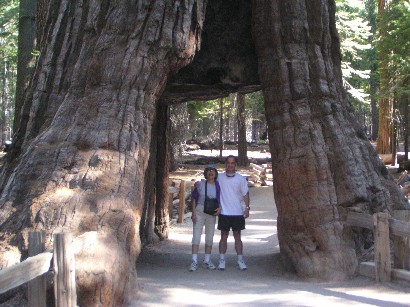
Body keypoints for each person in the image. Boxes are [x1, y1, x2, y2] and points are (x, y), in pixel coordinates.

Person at [217, 155, 250, 271]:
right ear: (225, 164)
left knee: (237, 237)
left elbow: (246, 194)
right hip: (224, 212)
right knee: (223, 236)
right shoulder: (219, 177)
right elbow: (209, 184)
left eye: (232, 163)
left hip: (237, 212)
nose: (230, 165)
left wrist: (247, 208)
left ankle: (240, 260)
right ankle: (221, 260)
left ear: (235, 165)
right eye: (228, 163)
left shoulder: (240, 179)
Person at [189, 164, 221, 272]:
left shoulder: (218, 185)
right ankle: (194, 260)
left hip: (211, 213)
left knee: (209, 237)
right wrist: (193, 213)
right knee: (196, 236)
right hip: (200, 211)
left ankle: (207, 260)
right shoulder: (201, 185)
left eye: (213, 171)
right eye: (209, 171)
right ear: (206, 173)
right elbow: (194, 198)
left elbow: (222, 198)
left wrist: (220, 208)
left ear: (216, 173)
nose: (211, 173)